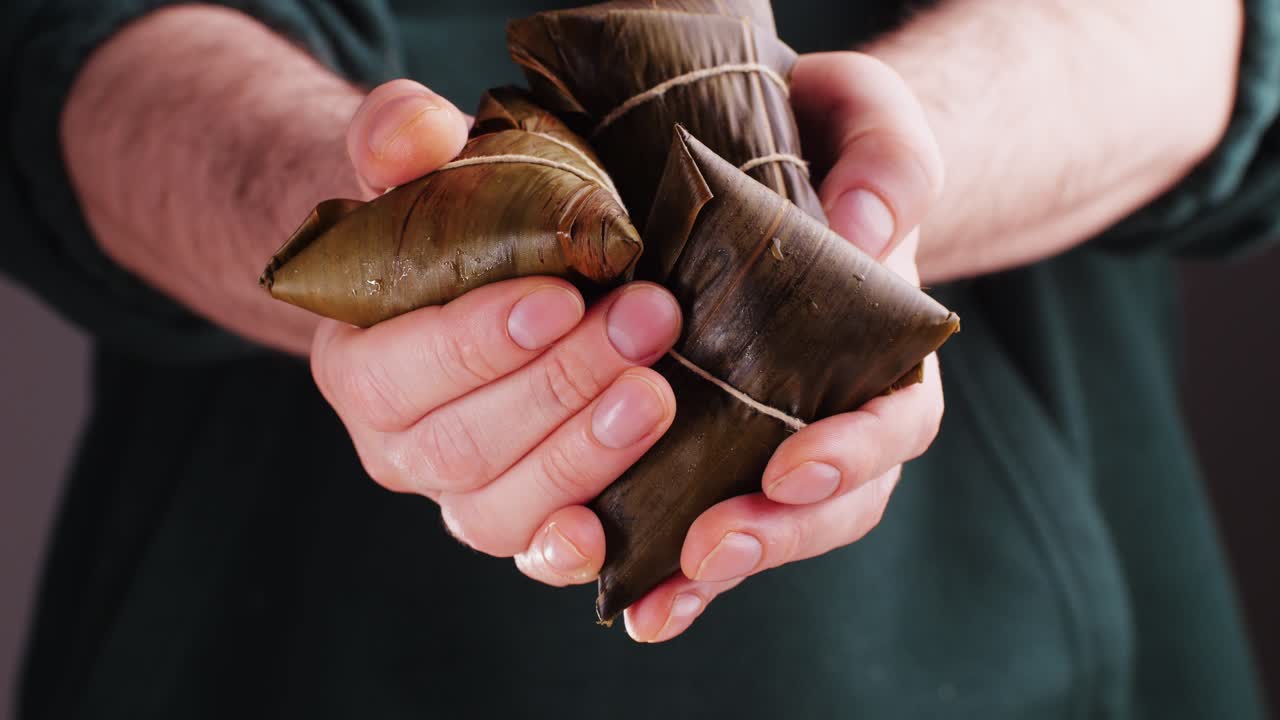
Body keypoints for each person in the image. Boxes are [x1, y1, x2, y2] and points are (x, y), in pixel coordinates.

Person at [3, 0, 1277, 717]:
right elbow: (59, 43)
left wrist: (858, 191)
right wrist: (374, 221)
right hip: (260, 652)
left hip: (1040, 658)